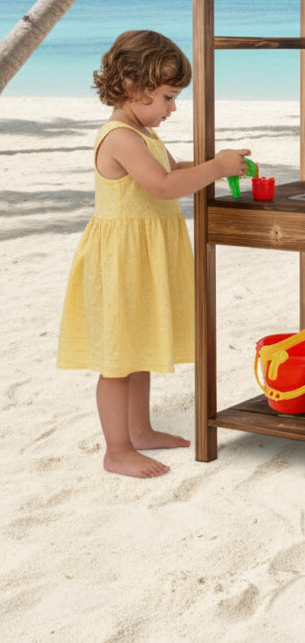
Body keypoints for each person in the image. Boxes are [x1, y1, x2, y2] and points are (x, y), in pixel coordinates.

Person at [57, 31, 251, 479]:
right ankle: (117, 450)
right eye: (167, 96)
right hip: (121, 262)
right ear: (132, 85)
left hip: (143, 259)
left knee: (138, 348)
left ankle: (140, 431)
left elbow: (171, 170)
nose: (173, 107)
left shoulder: (141, 132)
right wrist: (214, 169)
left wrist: (213, 166)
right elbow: (161, 187)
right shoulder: (119, 137)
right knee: (117, 361)